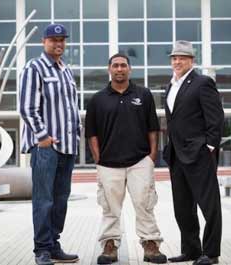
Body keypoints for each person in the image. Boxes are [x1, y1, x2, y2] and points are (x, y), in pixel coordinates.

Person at [85, 53, 167, 264]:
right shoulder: (97, 99)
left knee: (145, 204)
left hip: (140, 161)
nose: (119, 69)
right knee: (110, 208)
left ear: (129, 69)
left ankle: (151, 245)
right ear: (109, 69)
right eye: (115, 65)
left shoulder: (144, 95)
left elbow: (153, 128)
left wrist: (151, 156)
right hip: (108, 164)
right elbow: (91, 133)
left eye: (123, 65)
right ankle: (110, 245)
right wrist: (98, 159)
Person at [19, 23, 80, 265]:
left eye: (62, 40)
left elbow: (70, 108)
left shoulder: (65, 70)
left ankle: (54, 243)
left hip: (67, 147)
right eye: (54, 40)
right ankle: (42, 249)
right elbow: (27, 107)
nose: (59, 44)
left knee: (61, 199)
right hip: (46, 148)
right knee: (44, 200)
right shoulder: (35, 67)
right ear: (44, 42)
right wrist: (42, 136)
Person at [162, 40, 224, 265]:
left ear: (191, 61)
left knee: (209, 205)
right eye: (174, 58)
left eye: (182, 58)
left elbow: (216, 118)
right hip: (177, 156)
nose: (177, 61)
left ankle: (211, 253)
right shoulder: (170, 86)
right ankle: (191, 250)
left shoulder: (202, 83)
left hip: (199, 154)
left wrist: (208, 147)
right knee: (183, 207)